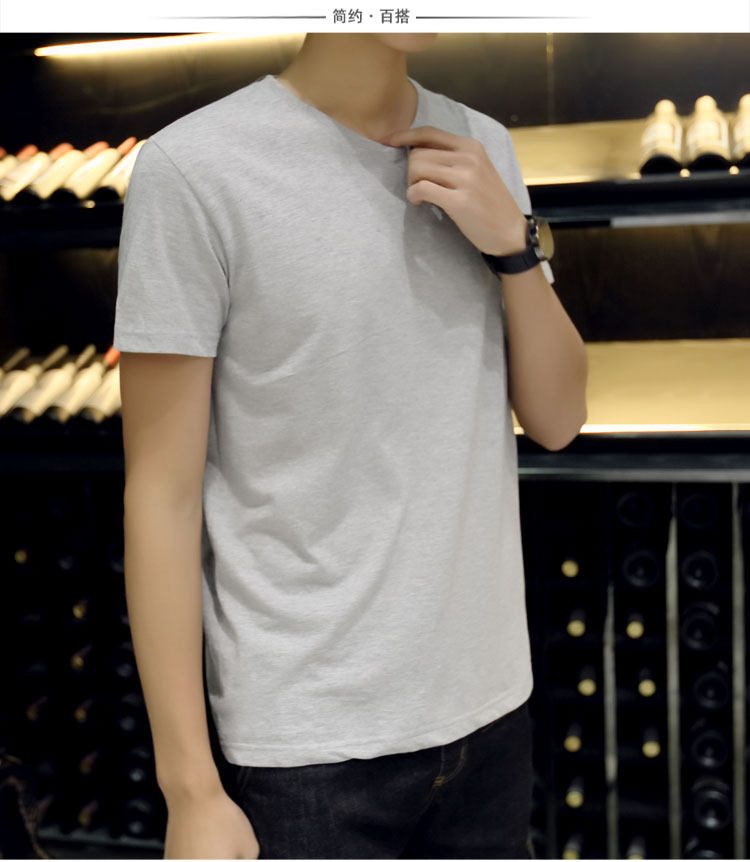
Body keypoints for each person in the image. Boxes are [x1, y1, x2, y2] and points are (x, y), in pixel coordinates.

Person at [113, 32, 587, 860]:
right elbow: (162, 493)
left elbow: (558, 417)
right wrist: (190, 789)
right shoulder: (195, 169)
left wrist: (514, 244)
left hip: (488, 713)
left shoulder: (480, 144)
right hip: (306, 748)